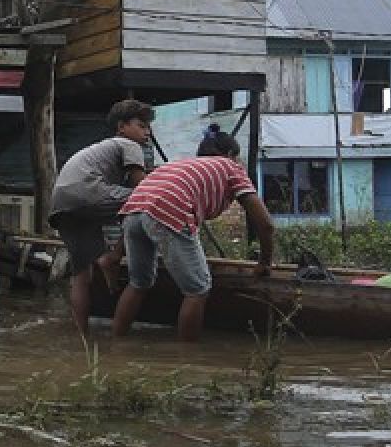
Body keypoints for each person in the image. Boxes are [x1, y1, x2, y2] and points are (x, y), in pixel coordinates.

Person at [112, 124, 275, 342]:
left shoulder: (182, 165)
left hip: (133, 210)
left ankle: (115, 344)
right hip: (166, 208)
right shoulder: (230, 167)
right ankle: (187, 359)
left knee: (139, 283)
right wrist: (265, 262)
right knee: (197, 289)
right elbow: (265, 224)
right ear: (230, 155)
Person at [49, 99, 155, 336]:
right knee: (148, 201)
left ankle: (81, 335)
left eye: (148, 127)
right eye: (141, 125)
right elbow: (144, 189)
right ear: (121, 127)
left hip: (62, 204)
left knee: (81, 274)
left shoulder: (100, 148)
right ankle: (113, 257)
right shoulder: (129, 145)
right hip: (88, 193)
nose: (146, 132)